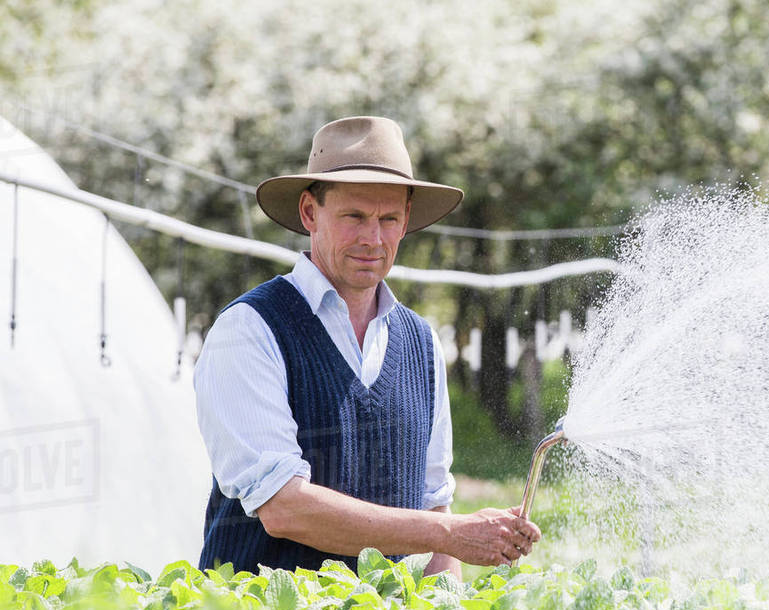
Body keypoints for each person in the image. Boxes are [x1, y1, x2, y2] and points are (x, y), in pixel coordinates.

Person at [195, 116, 539, 576]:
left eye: (389, 219)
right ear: (309, 213)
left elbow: (434, 506)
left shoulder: (421, 343)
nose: (372, 239)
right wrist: (452, 534)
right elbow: (284, 508)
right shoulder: (250, 330)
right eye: (354, 216)